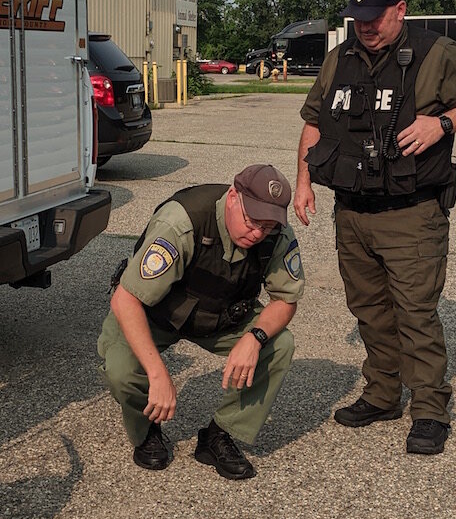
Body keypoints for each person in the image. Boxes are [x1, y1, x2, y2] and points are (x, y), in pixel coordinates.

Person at [294, 0, 456, 456]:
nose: (365, 27)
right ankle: (383, 394)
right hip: (353, 212)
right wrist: (303, 181)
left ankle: (429, 410)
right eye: (357, 18)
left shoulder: (435, 52)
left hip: (411, 214)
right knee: (369, 310)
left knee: (415, 313)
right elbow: (312, 121)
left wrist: (442, 122)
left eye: (375, 18)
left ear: (401, 10)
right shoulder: (338, 58)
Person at [98, 164, 305, 480]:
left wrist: (254, 339)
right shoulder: (181, 221)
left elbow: (285, 299)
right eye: (252, 222)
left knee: (279, 345)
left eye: (267, 226)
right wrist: (158, 373)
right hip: (155, 313)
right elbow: (125, 300)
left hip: (222, 314)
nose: (258, 233)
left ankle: (219, 435)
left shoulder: (274, 231)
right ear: (233, 197)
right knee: (121, 370)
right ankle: (146, 429)